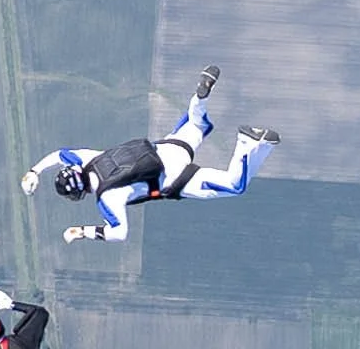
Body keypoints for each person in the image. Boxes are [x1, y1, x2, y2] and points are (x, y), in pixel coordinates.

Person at [22, 66, 279, 243]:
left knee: (235, 185)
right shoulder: (90, 159)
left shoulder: (107, 198)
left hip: (176, 178)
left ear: (77, 194)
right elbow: (60, 154)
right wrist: (34, 171)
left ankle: (246, 143)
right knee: (197, 124)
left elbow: (119, 233)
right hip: (166, 149)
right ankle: (203, 100)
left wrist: (83, 232)